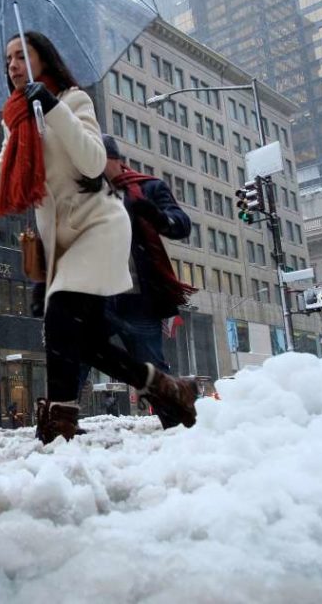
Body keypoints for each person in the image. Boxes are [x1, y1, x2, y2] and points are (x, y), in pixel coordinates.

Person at [0, 31, 198, 444]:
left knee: (60, 319)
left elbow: (94, 162)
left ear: (44, 59)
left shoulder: (75, 101)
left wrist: (54, 107)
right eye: (7, 58)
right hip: (61, 241)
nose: (12, 65)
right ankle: (166, 388)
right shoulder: (17, 122)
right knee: (86, 342)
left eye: (21, 56)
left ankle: (59, 426)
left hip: (98, 227)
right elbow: (4, 185)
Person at [100, 134, 198, 429]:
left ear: (116, 160)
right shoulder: (84, 193)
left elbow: (180, 223)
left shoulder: (147, 187)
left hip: (139, 299)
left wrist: (157, 217)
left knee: (151, 367)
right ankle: (60, 427)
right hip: (98, 297)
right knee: (75, 355)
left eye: (98, 158)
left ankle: (177, 427)